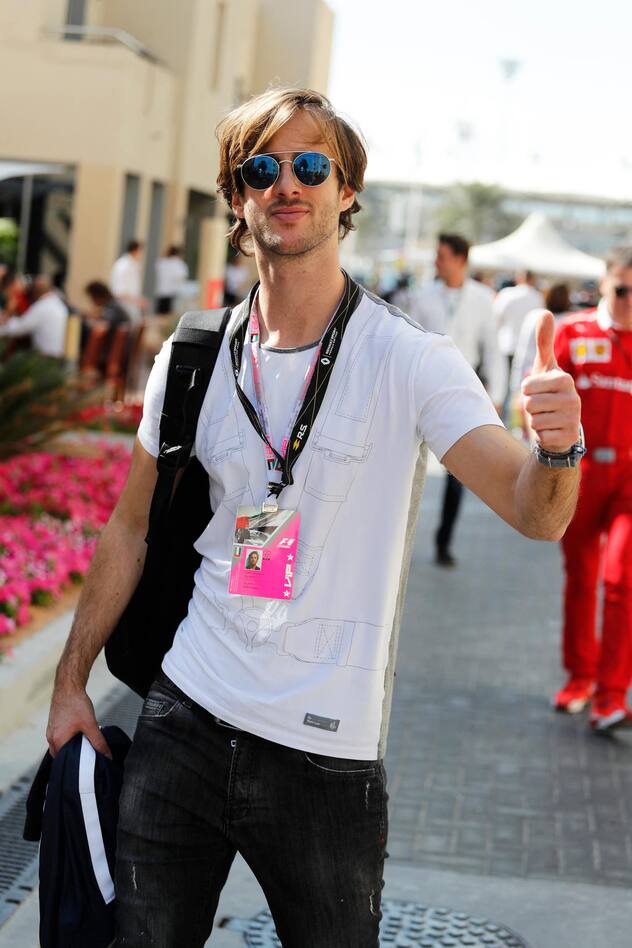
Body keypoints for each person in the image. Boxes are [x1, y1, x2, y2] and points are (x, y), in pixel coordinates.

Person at [46, 88, 581, 948]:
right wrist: (71, 683)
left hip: (324, 760)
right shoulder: (191, 357)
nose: (284, 184)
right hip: (185, 716)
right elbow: (128, 529)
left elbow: (534, 514)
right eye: (261, 168)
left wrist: (558, 451)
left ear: (346, 192)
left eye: (310, 166)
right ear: (235, 196)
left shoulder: (409, 359)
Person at [551, 247, 632, 731]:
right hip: (581, 474)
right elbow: (543, 393)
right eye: (621, 289)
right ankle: (580, 677)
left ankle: (611, 694)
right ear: (604, 283)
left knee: (620, 579)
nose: (628, 300)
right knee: (580, 578)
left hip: (630, 479)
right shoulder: (574, 332)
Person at [407, 233, 507, 567]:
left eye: (442, 255)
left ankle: (443, 542)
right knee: (409, 468)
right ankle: (399, 541)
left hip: (463, 395)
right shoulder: (422, 296)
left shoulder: (482, 298)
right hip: (421, 393)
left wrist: (495, 397)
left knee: (458, 474)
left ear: (460, 259)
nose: (436, 261)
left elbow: (491, 348)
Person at [511, 283, 571, 396]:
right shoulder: (570, 321)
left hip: (540, 379)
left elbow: (523, 354)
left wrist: (516, 387)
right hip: (545, 380)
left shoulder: (535, 317)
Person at [494, 270, 544, 394]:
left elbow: (496, 318)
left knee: (501, 385)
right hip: (525, 348)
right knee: (520, 386)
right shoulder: (537, 297)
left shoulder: (506, 294)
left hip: (506, 345)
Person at [0, 274, 67, 357]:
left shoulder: (42, 306)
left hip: (45, 356)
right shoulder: (56, 303)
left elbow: (21, 327)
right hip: (55, 354)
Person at [110, 240, 146, 325]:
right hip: (124, 308)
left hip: (131, 306)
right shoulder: (123, 266)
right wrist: (136, 301)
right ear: (136, 250)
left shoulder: (132, 264)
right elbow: (119, 291)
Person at [154, 246, 189, 314]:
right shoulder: (179, 264)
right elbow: (183, 276)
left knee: (160, 314)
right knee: (170, 315)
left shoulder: (162, 262)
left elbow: (157, 267)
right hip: (173, 293)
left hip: (161, 292)